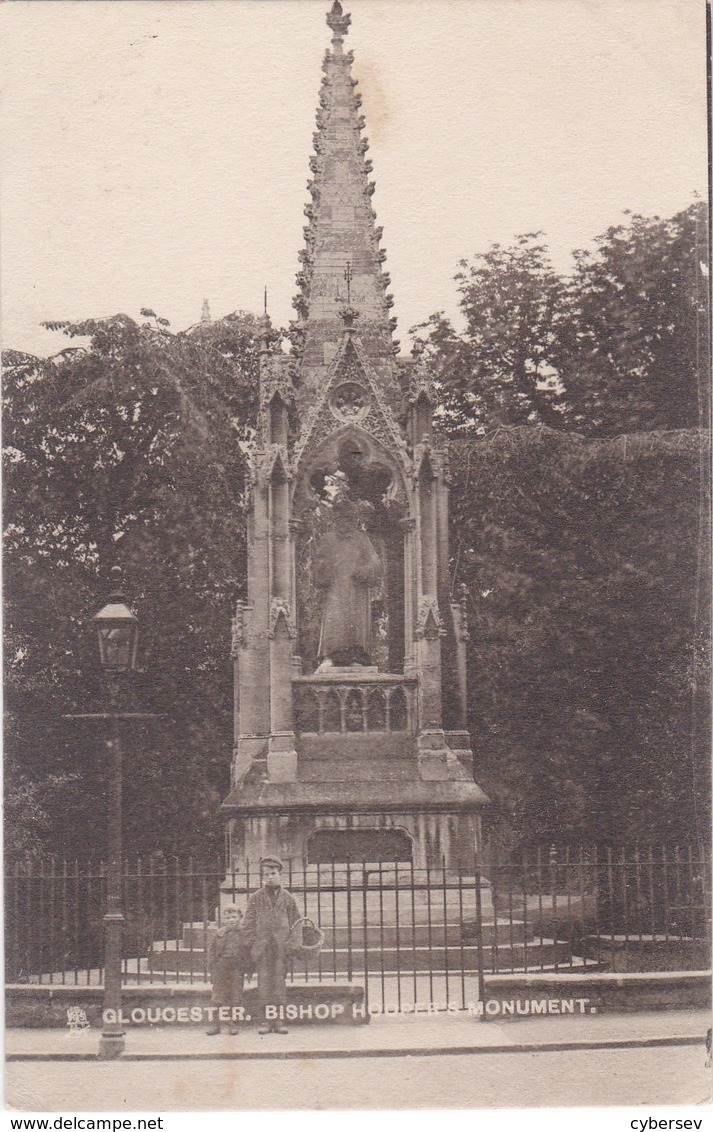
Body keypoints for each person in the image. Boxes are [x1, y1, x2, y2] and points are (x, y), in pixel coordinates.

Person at [312, 500, 383, 667]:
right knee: (335, 620)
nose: (344, 522)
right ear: (335, 519)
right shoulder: (327, 540)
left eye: (348, 518)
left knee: (356, 624)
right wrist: (322, 568)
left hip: (356, 591)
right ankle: (331, 655)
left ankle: (357, 655)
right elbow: (317, 565)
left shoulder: (361, 540)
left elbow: (376, 563)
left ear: (353, 519)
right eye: (340, 518)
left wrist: (366, 570)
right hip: (335, 591)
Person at [241, 856, 301, 1034]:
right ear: (262, 877)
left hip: (281, 948)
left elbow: (297, 923)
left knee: (279, 984)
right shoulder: (255, 898)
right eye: (266, 874)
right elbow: (248, 924)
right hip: (263, 948)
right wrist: (253, 943)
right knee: (264, 984)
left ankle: (279, 1020)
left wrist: (293, 944)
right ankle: (266, 1021)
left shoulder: (288, 898)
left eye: (273, 873)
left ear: (280, 874)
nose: (270, 877)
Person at [206, 904, 245, 1036]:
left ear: (240, 917)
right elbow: (212, 951)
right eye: (228, 917)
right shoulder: (220, 933)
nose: (231, 920)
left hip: (236, 967)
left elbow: (249, 951)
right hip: (221, 967)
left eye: (234, 917)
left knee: (235, 996)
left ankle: (232, 1024)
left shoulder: (244, 933)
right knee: (218, 995)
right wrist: (212, 967)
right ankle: (215, 1025)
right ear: (224, 919)